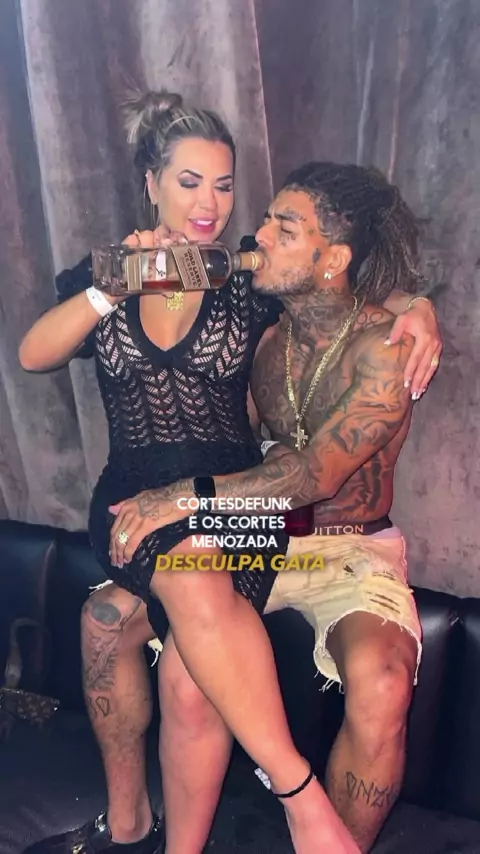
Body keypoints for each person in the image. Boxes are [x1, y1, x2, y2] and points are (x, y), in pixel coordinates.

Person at [17, 89, 441, 854]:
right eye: (189, 182)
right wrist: (115, 282)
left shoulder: (248, 277)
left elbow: (333, 281)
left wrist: (419, 304)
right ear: (152, 183)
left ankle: (300, 806)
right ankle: (211, 812)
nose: (212, 205)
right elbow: (34, 353)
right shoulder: (120, 272)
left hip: (245, 505)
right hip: (148, 497)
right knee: (132, 616)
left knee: (198, 648)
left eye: (222, 184)